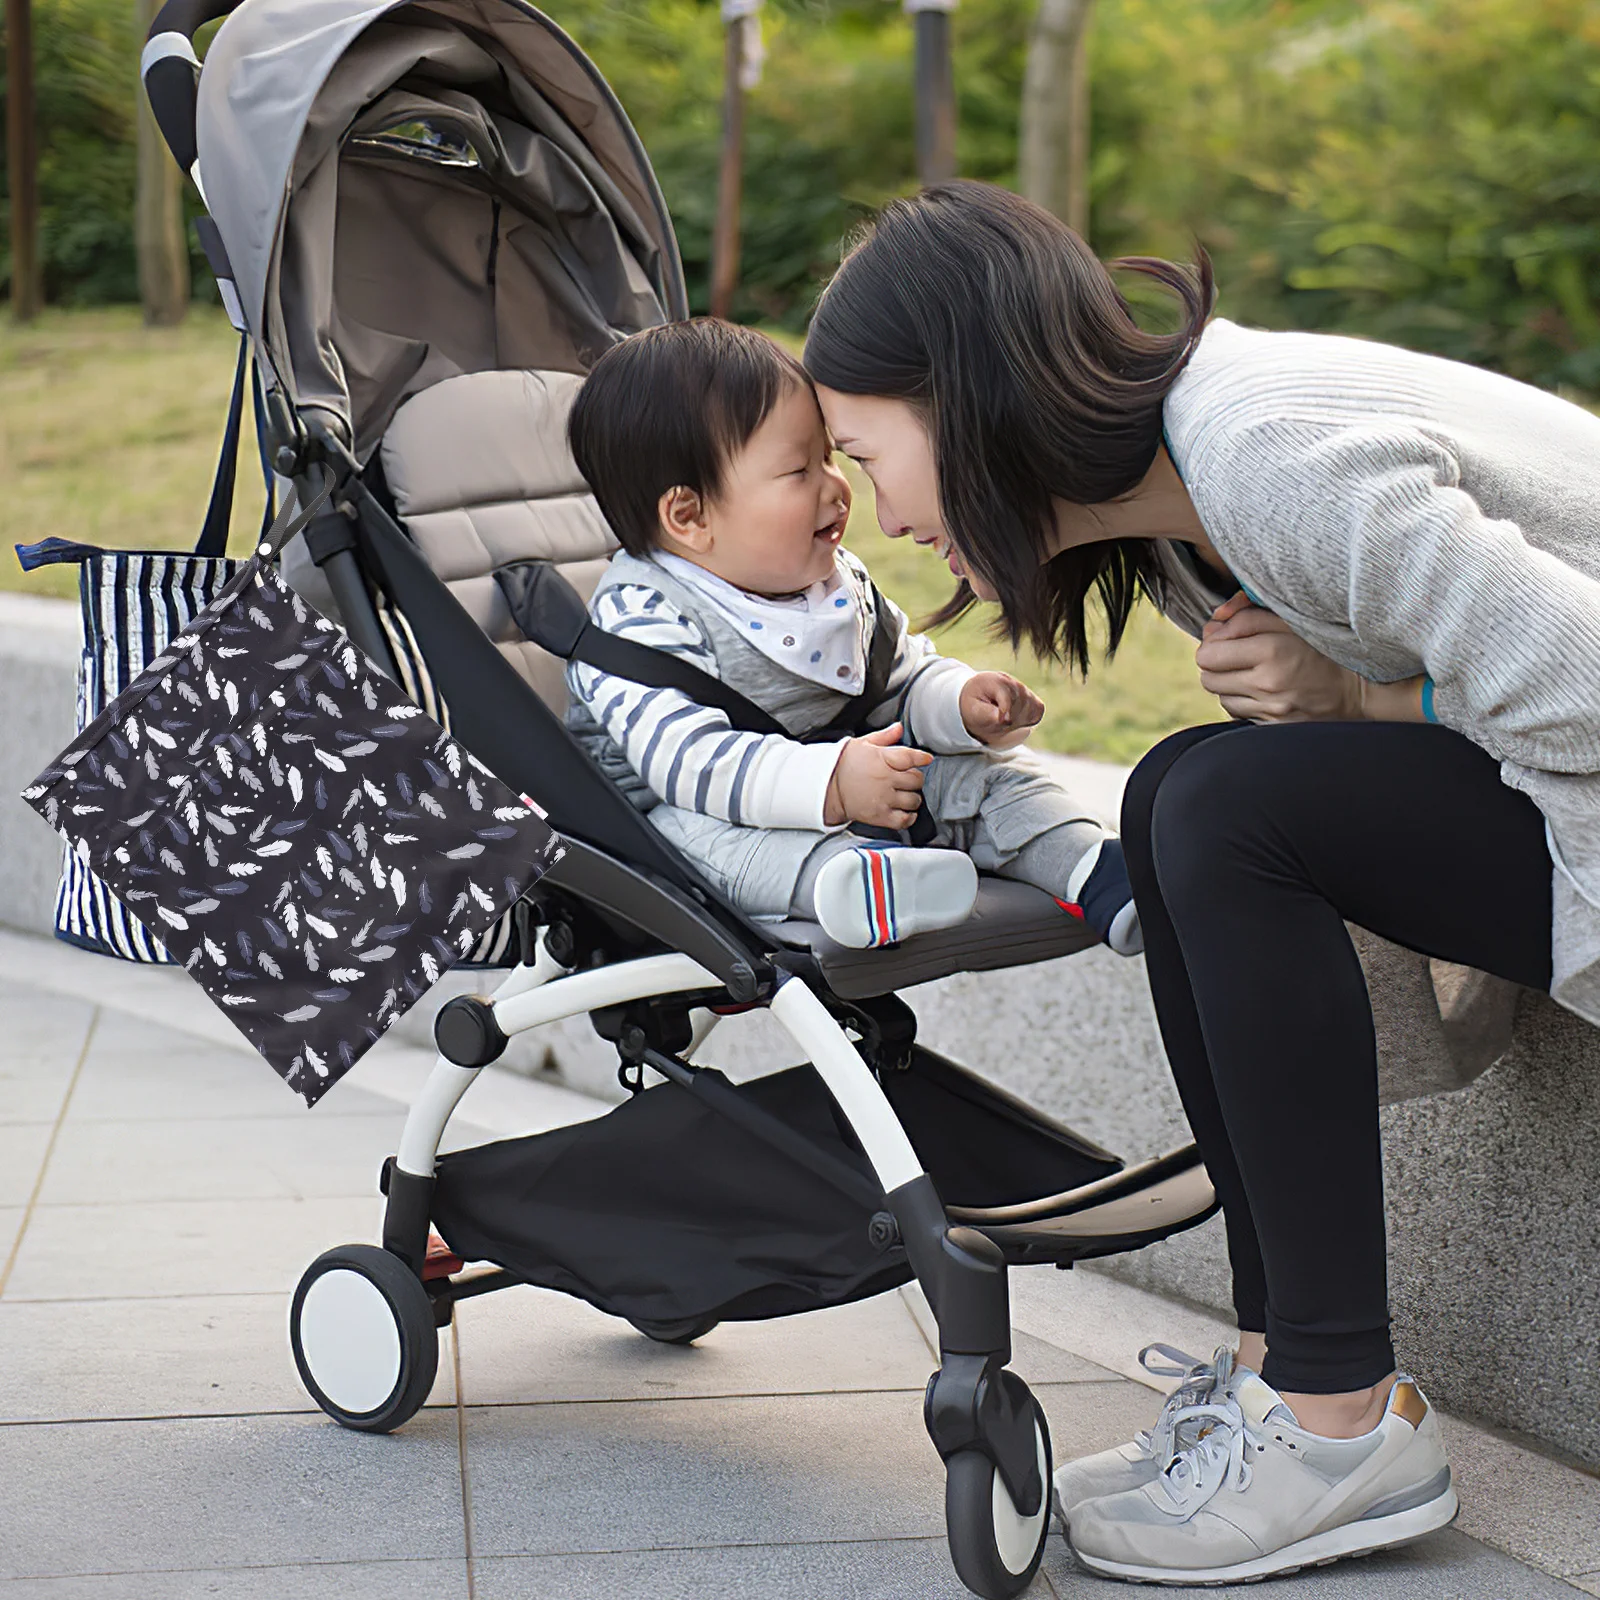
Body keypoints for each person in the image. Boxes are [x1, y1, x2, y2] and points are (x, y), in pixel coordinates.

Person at [803, 178, 1600, 1586]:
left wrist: (1372, 697)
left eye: (874, 457)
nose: (886, 515)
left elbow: (1586, 685)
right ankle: (1280, 1377)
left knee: (1223, 805)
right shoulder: (1178, 510)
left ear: (967, 394)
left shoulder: (1267, 455)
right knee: (1181, 791)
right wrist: (1365, 703)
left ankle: (1333, 1415)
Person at [559, 317, 1142, 955]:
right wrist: (833, 782)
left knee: (989, 773)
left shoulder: (830, 585)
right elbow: (687, 765)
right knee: (698, 839)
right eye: (798, 471)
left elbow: (897, 676)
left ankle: (1090, 867)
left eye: (830, 457)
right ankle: (856, 886)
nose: (838, 488)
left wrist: (959, 704)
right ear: (690, 516)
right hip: (705, 814)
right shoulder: (641, 616)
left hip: (854, 779)